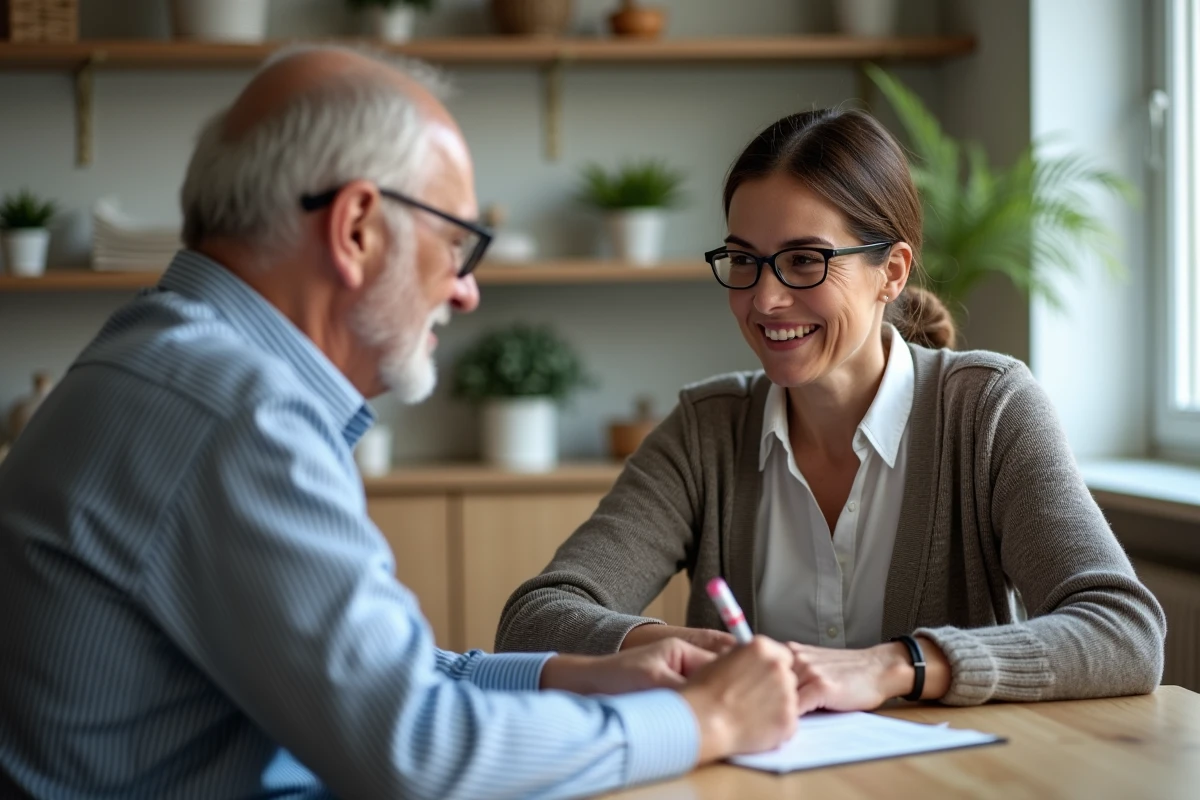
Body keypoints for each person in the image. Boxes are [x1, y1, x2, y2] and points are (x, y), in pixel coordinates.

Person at [0, 45, 802, 800]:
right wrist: (713, 718)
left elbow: (375, 682)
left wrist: (570, 672)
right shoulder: (236, 410)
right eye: (457, 244)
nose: (465, 292)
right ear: (355, 228)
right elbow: (421, 753)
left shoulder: (163, 361)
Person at [496, 107, 1167, 711]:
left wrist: (894, 667)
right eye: (744, 261)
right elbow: (534, 617)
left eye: (805, 261)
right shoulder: (707, 430)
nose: (764, 300)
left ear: (893, 272)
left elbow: (1123, 630)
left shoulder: (988, 410)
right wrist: (665, 645)